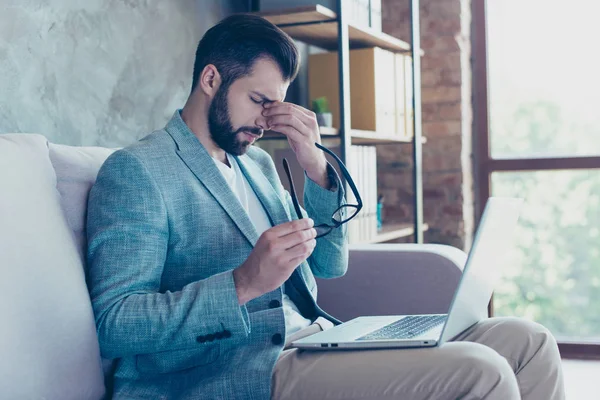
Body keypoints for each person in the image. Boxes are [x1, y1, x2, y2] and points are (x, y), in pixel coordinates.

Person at [86, 14, 565, 400]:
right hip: (236, 371)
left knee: (528, 341)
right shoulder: (138, 171)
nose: (265, 120)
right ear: (211, 78)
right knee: (479, 371)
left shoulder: (257, 164)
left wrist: (315, 167)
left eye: (275, 104)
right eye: (257, 100)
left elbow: (331, 265)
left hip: (318, 340)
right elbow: (116, 324)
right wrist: (244, 283)